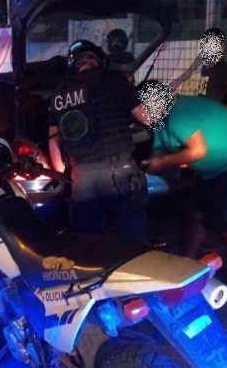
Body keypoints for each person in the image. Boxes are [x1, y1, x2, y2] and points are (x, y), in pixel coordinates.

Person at [141, 81, 227, 289]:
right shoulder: (161, 121)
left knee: (226, 223)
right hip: (212, 167)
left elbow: (198, 152)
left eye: (141, 107)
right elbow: (158, 151)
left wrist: (163, 162)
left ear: (154, 103)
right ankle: (186, 265)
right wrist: (149, 167)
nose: (139, 114)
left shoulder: (178, 114)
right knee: (197, 213)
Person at [48, 40, 150, 241]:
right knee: (131, 240)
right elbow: (145, 118)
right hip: (120, 172)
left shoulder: (58, 94)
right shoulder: (114, 80)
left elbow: (53, 140)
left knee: (88, 243)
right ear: (99, 59)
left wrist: (64, 176)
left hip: (82, 177)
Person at [197, 27, 227, 112]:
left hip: (214, 116)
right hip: (204, 115)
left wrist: (223, 117)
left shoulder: (223, 68)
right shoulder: (205, 68)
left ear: (222, 48)